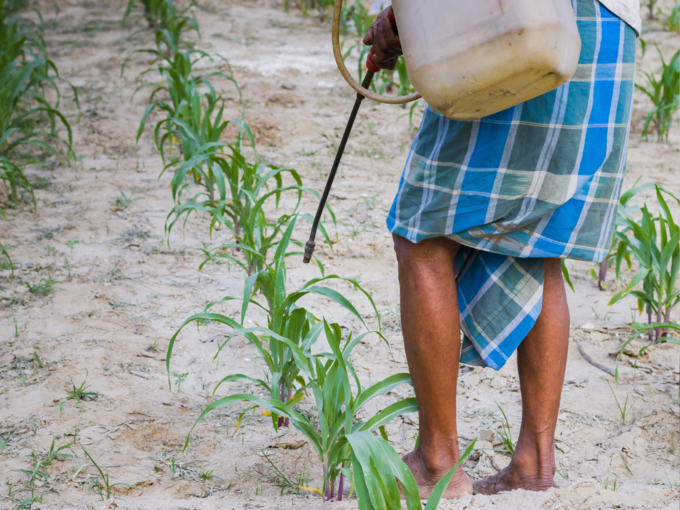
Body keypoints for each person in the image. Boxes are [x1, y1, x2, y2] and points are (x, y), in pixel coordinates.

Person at [363, 0, 641, 498]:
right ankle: (534, 463)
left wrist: (400, 15)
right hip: (605, 29)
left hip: (521, 21)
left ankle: (436, 460)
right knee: (536, 239)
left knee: (421, 232)